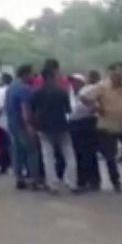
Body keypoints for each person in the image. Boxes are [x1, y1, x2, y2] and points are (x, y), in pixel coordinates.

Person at [29, 61, 78, 194]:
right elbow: (68, 110)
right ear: (53, 76)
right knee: (69, 155)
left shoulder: (37, 93)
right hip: (62, 125)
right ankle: (72, 183)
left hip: (44, 127)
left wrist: (34, 125)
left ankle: (53, 185)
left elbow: (32, 110)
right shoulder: (62, 92)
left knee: (48, 157)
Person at [85, 62, 122, 193]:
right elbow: (84, 97)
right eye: (116, 73)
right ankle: (116, 181)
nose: (119, 75)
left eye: (121, 72)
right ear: (110, 74)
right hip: (107, 126)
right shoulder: (102, 86)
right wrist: (96, 107)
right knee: (110, 156)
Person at [5, 64, 39, 190]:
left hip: (12, 125)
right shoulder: (24, 89)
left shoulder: (11, 87)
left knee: (17, 152)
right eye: (31, 74)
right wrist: (29, 125)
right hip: (23, 125)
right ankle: (34, 179)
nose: (32, 76)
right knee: (32, 151)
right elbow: (25, 109)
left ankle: (19, 178)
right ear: (26, 74)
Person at [69, 72, 100, 191]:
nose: (73, 84)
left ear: (82, 82)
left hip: (87, 123)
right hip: (74, 124)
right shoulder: (71, 93)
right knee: (79, 153)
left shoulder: (88, 91)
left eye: (76, 81)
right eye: (72, 81)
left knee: (88, 153)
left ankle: (89, 179)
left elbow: (95, 107)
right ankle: (85, 179)